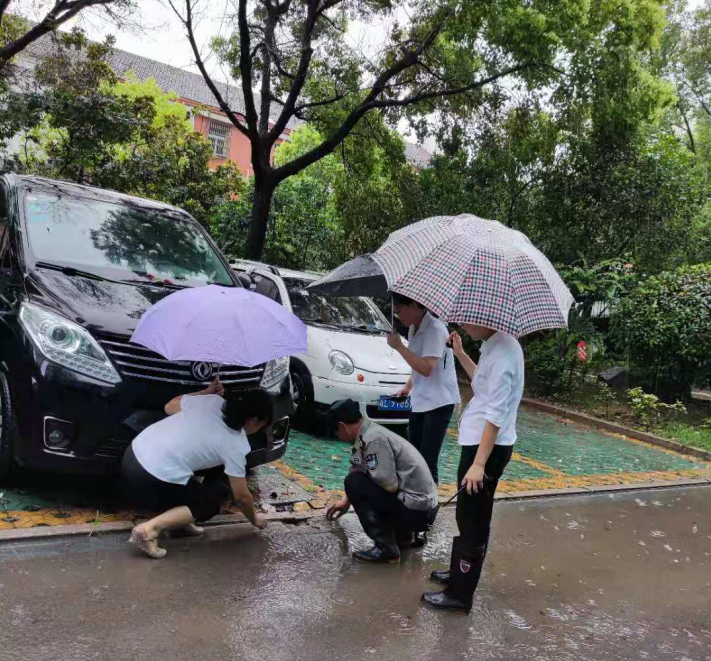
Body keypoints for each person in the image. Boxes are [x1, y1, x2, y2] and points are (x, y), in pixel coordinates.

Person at [422, 326, 524, 612]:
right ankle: (459, 573)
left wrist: (479, 465)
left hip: (486, 450)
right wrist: (461, 354)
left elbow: (496, 414)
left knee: (473, 518)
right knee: (468, 515)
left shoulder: (504, 353)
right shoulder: (494, 344)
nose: (465, 325)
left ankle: (459, 594)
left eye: (470, 321)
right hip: (479, 445)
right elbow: (482, 384)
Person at [121, 379, 271, 559]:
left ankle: (180, 522)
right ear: (253, 420)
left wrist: (205, 392)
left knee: (211, 468)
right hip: (149, 476)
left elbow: (170, 406)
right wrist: (254, 519)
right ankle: (148, 531)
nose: (258, 430)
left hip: (133, 453)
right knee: (211, 502)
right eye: (261, 426)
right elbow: (242, 497)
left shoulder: (212, 401)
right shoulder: (235, 445)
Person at [325, 398, 439, 564]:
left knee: (354, 483)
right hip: (423, 507)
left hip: (419, 512)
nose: (338, 437)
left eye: (336, 432)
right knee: (361, 481)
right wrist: (346, 500)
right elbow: (362, 468)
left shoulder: (373, 439)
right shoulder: (371, 432)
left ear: (342, 426)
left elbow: (389, 485)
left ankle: (387, 549)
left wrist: (354, 492)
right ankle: (404, 537)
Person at [387, 293, 460, 487]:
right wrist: (407, 387)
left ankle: (429, 508)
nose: (397, 315)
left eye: (399, 310)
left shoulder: (435, 329)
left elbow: (427, 368)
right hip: (420, 400)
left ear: (413, 305)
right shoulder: (413, 328)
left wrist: (400, 348)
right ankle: (415, 499)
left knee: (427, 460)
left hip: (439, 402)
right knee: (415, 456)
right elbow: (418, 363)